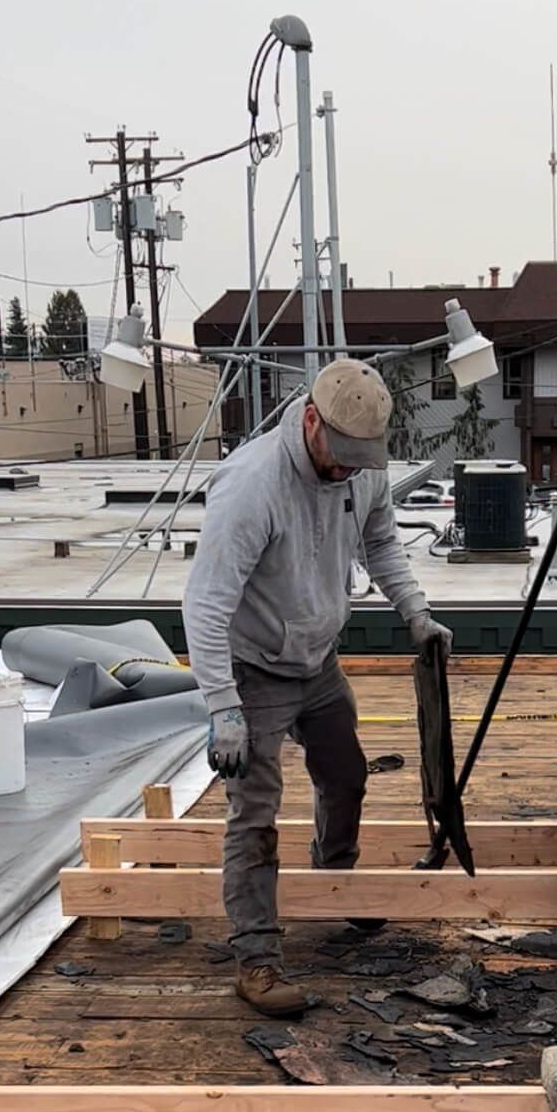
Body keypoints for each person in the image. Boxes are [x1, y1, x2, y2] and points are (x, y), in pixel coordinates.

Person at [183, 359, 452, 1017]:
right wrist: (222, 707)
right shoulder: (251, 487)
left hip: (317, 659)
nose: (351, 471)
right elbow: (205, 605)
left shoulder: (360, 466)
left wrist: (415, 613)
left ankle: (336, 881)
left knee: (346, 772)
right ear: (311, 420)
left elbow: (382, 541)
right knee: (255, 814)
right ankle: (257, 959)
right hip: (254, 671)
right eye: (342, 456)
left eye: (363, 460)